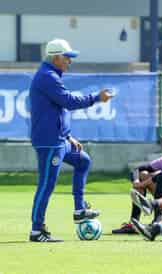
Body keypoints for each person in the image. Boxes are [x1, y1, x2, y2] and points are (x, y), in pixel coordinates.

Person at [29, 39, 114, 242]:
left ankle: (79, 209)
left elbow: (57, 109)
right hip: (50, 142)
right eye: (67, 57)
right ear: (56, 57)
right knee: (46, 185)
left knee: (82, 160)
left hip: (59, 139)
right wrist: (96, 98)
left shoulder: (51, 75)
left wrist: (68, 136)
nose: (70, 62)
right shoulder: (47, 77)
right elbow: (68, 101)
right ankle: (36, 230)